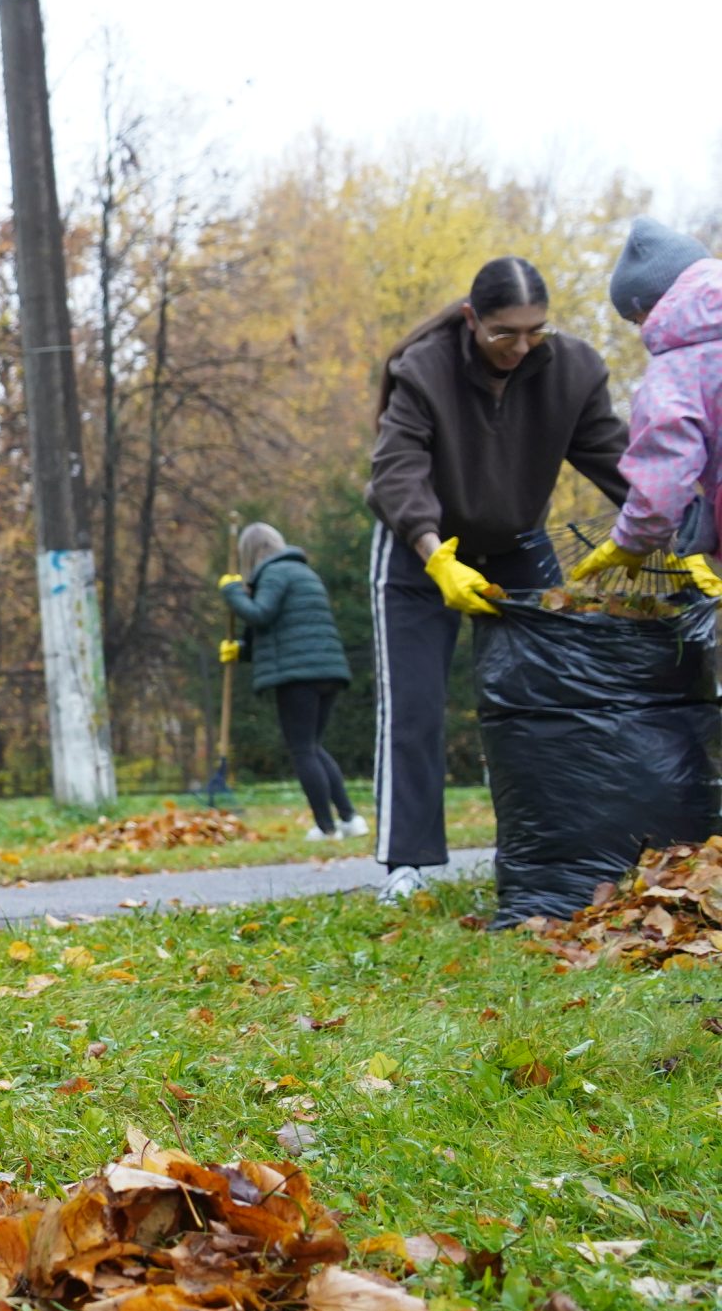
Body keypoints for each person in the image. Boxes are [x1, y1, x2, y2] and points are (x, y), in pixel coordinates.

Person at [365, 256, 628, 903]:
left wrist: (674, 527)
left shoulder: (573, 372)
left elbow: (619, 460)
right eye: (504, 332)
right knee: (415, 703)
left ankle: (549, 845)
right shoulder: (423, 369)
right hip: (421, 546)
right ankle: (407, 864)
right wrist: (435, 555)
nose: (520, 346)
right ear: (471, 319)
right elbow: (396, 471)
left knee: (550, 697)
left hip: (516, 545)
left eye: (536, 331)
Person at [569, 219, 722, 602]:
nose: (640, 331)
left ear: (648, 308)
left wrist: (629, 540)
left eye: (633, 320)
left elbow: (663, 479)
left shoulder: (678, 367)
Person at [219, 522, 363, 841]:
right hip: (328, 670)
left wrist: (232, 593)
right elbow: (283, 629)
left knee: (302, 750)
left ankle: (326, 828)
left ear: (249, 553)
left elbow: (261, 614)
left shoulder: (274, 573)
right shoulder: (302, 572)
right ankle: (350, 819)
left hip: (299, 676)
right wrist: (242, 650)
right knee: (313, 746)